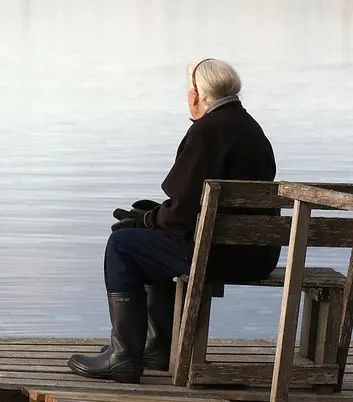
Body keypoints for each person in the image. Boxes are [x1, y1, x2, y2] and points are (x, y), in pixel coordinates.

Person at [67, 58, 282, 384]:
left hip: (220, 255)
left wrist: (149, 220)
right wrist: (151, 219)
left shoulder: (205, 132)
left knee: (123, 246)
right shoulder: (252, 130)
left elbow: (180, 213)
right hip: (257, 254)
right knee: (146, 239)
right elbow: (196, 206)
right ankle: (157, 348)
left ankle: (123, 356)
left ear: (196, 95)